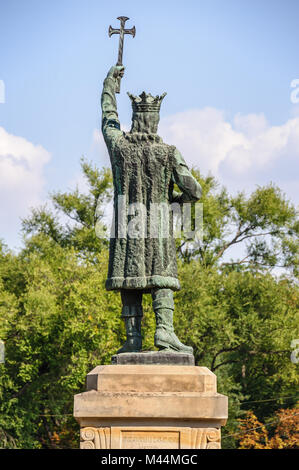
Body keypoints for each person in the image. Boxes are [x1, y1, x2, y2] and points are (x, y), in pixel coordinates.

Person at [101, 65, 202, 354]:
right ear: (155, 120)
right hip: (157, 225)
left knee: (129, 279)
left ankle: (133, 337)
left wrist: (110, 84)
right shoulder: (169, 153)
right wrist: (172, 205)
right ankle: (164, 332)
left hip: (126, 224)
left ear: (134, 119)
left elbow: (108, 119)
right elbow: (194, 190)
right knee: (161, 276)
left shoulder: (120, 146)